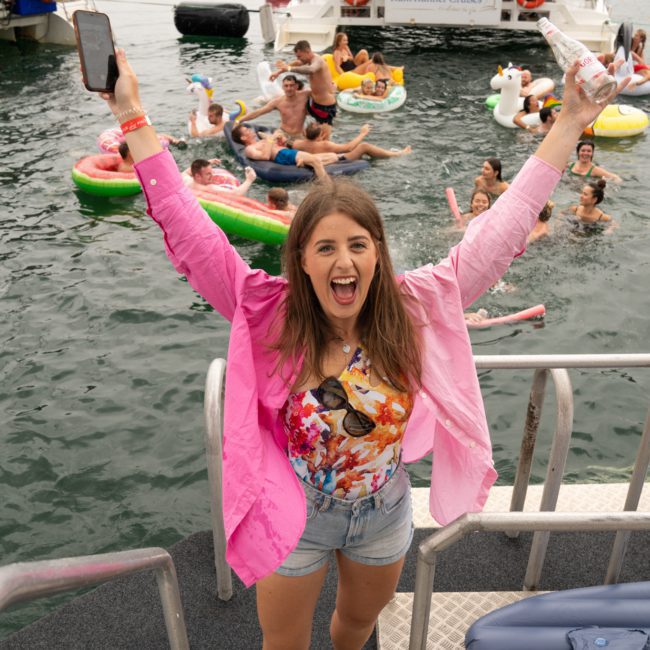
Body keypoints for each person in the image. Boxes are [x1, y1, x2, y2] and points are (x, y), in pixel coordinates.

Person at [97, 48, 624, 650]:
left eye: (357, 245)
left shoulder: (414, 307)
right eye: (324, 249)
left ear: (378, 253)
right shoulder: (271, 313)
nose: (343, 261)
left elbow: (504, 229)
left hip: (383, 510)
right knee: (285, 641)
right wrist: (134, 116)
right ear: (300, 261)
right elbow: (189, 232)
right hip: (295, 511)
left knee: (355, 630)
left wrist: (570, 122)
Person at [232, 123, 337, 180]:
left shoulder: (263, 140)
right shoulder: (249, 149)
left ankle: (304, 163)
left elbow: (279, 144)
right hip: (283, 155)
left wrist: (280, 139)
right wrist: (271, 138)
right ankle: (327, 189)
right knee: (316, 161)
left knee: (333, 156)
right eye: (247, 131)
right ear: (243, 137)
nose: (250, 130)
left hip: (288, 152)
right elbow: (265, 156)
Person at [271, 40, 337, 126]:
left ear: (307, 52)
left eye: (299, 56)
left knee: (323, 137)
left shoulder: (318, 61)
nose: (298, 59)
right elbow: (297, 63)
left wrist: (289, 69)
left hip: (325, 107)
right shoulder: (307, 60)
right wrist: (278, 72)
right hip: (313, 103)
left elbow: (311, 70)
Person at [237, 75, 311, 139]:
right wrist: (239, 120)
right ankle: (268, 137)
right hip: (283, 133)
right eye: (286, 86)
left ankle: (267, 136)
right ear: (282, 87)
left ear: (296, 86)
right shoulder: (278, 102)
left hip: (299, 135)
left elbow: (320, 89)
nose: (289, 88)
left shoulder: (305, 95)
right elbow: (258, 112)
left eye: (291, 85)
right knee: (271, 146)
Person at [291, 122, 412, 159]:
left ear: (305, 133)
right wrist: (362, 133)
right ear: (319, 136)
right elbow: (348, 148)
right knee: (364, 146)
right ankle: (398, 154)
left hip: (316, 158)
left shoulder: (297, 143)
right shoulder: (325, 144)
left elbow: (288, 143)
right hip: (335, 160)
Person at [182, 158, 257, 196]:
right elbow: (235, 194)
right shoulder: (208, 188)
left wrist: (209, 162)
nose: (212, 176)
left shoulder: (186, 180)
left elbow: (186, 172)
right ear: (198, 176)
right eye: (208, 174)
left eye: (212, 172)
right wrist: (249, 180)